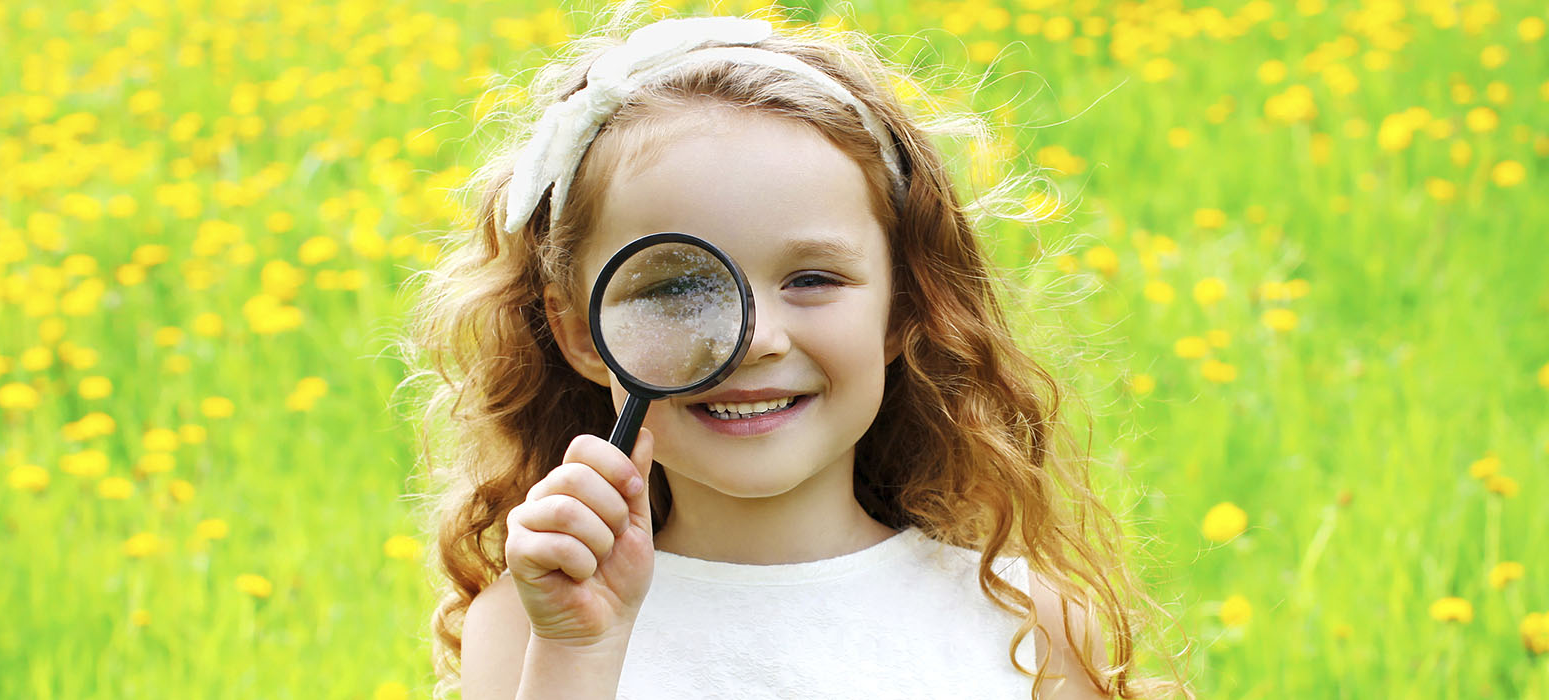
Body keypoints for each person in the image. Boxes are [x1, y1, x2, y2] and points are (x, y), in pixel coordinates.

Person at [406, 13, 1183, 700]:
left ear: (902, 310)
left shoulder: (1027, 620)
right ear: (583, 335)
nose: (752, 339)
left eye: (813, 278)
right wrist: (581, 652)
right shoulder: (540, 625)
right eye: (677, 291)